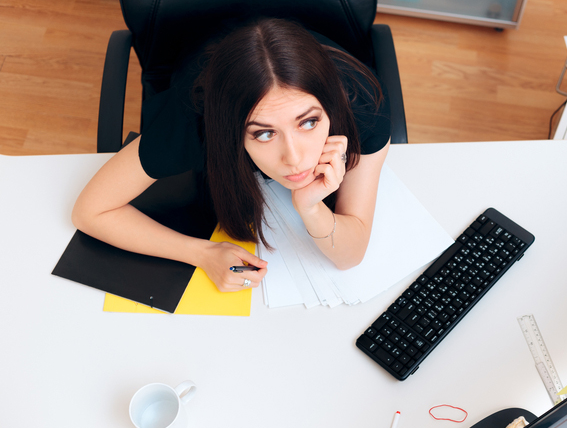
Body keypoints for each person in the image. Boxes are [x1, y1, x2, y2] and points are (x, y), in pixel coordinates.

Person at [72, 18, 391, 293]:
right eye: (264, 133)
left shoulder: (361, 102)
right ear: (231, 130)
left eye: (309, 122)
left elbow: (350, 256)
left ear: (331, 110)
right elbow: (90, 211)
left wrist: (310, 207)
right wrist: (202, 253)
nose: (294, 158)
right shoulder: (195, 118)